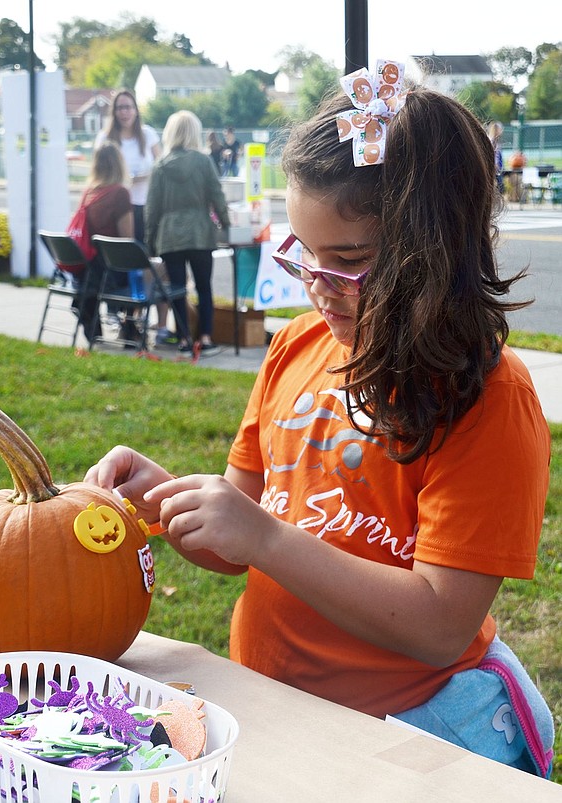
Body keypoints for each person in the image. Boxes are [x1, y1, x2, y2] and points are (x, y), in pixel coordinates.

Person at [84, 62, 554, 777]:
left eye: (348, 261)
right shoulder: (297, 346)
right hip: (273, 708)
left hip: (399, 741)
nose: (317, 285)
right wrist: (169, 497)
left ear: (432, 255)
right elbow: (239, 532)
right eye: (303, 253)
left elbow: (438, 624)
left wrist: (266, 537)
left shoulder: (489, 397)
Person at [144, 110, 231, 353]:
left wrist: (149, 241)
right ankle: (205, 337)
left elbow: (152, 208)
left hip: (169, 235)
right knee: (204, 287)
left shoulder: (160, 165)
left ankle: (183, 337)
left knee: (177, 288)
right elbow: (217, 196)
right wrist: (227, 225)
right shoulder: (203, 161)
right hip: (201, 233)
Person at [95, 90, 169, 335]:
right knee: (123, 262)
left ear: (136, 110)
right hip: (118, 207)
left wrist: (143, 176)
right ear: (114, 112)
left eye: (128, 107)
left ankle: (141, 319)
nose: (125, 112)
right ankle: (124, 317)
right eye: (120, 108)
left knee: (147, 262)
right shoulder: (106, 138)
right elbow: (99, 172)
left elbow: (161, 166)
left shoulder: (147, 135)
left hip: (145, 206)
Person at [71, 141, 134, 342]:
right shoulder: (120, 194)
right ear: (119, 164)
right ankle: (131, 329)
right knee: (154, 271)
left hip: (86, 274)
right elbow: (127, 242)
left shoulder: (88, 193)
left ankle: (123, 329)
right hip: (111, 274)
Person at [487, 121, 505, 194]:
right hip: (494, 167)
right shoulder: (492, 141)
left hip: (497, 166)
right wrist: (495, 164)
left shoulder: (496, 141)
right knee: (498, 185)